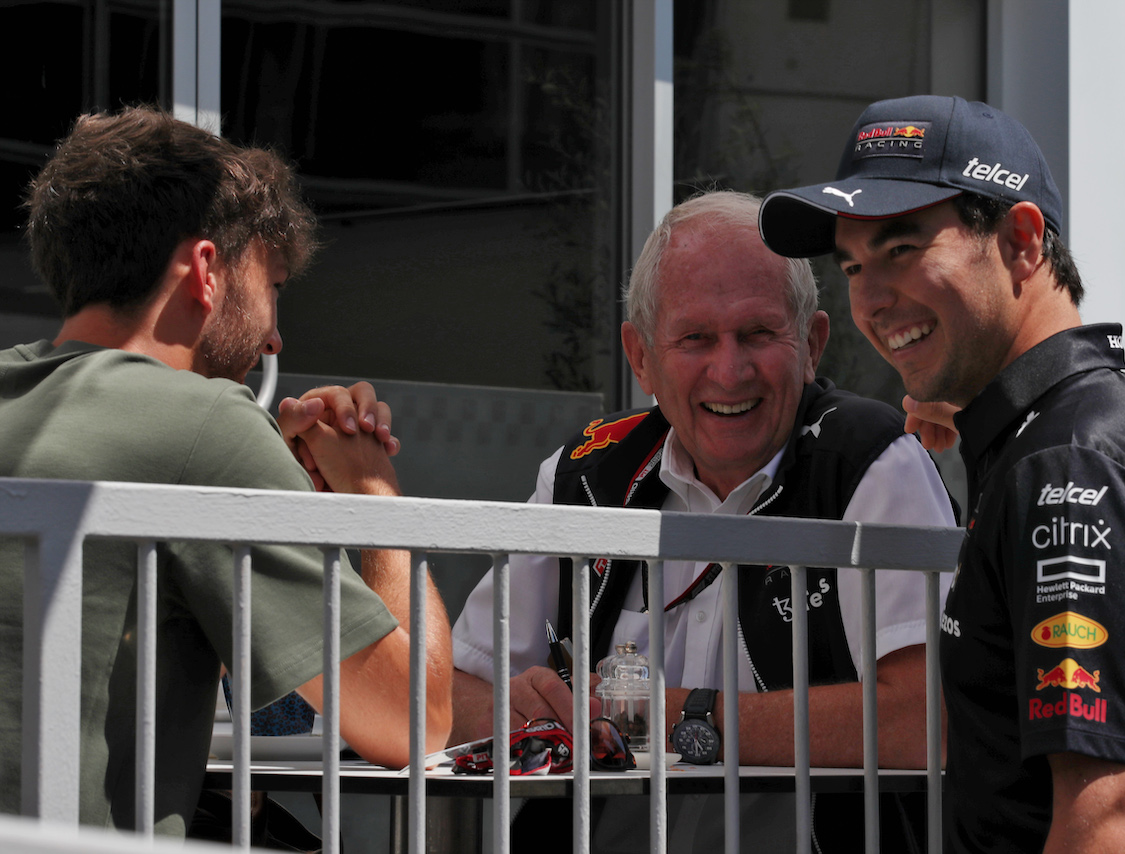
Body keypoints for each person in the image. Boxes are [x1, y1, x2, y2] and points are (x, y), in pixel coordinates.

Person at [759, 94, 1125, 853]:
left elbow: (1106, 819)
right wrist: (981, 428)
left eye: (902, 250)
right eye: (852, 266)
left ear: (1022, 241)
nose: (870, 299)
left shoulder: (1069, 465)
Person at [449, 190, 956, 850]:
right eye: (695, 338)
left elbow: (923, 721)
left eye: (758, 333)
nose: (729, 370)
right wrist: (521, 713)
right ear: (640, 357)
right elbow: (455, 695)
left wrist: (682, 717)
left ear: (812, 345)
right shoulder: (585, 474)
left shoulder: (871, 462)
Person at [0, 106, 452, 835]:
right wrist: (371, 494)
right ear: (207, 271)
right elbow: (412, 721)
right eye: (271, 285)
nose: (275, 333)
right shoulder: (207, 424)